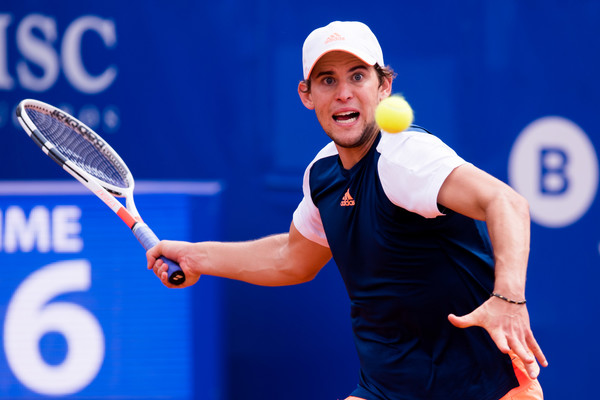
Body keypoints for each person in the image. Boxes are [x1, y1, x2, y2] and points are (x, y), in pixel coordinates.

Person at [147, 21, 548, 400]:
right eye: (328, 80)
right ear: (307, 95)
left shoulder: (405, 156)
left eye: (358, 76)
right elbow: (291, 258)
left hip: (487, 390)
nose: (343, 93)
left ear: (383, 86)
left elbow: (507, 202)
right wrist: (196, 256)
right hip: (387, 389)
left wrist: (509, 299)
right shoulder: (323, 174)